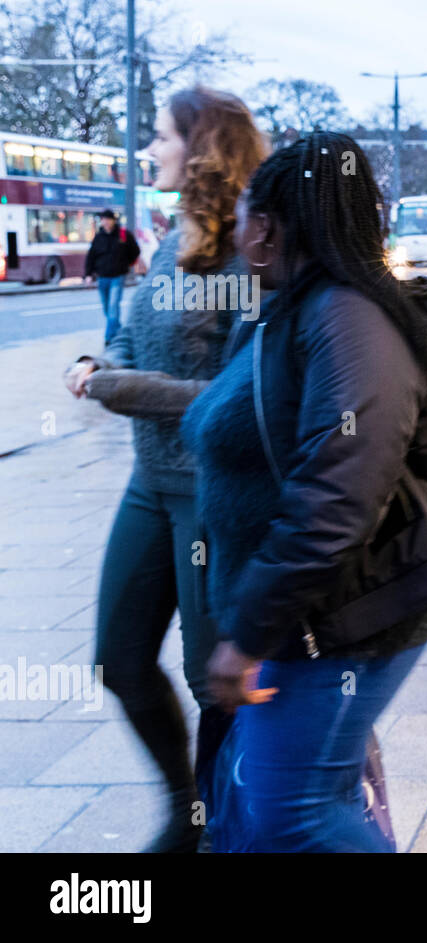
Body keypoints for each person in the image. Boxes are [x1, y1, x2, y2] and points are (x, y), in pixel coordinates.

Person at [180, 133, 427, 852]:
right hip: (307, 614)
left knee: (292, 811)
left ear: (270, 228)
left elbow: (336, 496)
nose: (236, 231)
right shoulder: (292, 307)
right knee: (298, 797)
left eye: (246, 214)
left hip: (348, 613)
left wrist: (245, 635)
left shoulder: (345, 317)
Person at [61, 87, 268, 853]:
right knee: (119, 659)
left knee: (215, 678)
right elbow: (141, 346)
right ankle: (186, 810)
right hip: (149, 484)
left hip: (214, 495)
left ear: (203, 148)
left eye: (160, 136)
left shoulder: (250, 251)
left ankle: (227, 820)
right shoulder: (171, 236)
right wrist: (102, 363)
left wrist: (113, 389)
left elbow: (235, 396)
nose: (150, 149)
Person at [83, 209, 140, 344]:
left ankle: (109, 338)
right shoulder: (98, 237)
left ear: (113, 221)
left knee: (113, 306)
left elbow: (135, 251)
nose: (106, 222)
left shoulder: (123, 235)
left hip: (117, 276)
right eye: (103, 220)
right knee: (107, 308)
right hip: (102, 277)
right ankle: (119, 331)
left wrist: (126, 264)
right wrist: (88, 275)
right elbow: (91, 257)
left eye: (108, 219)